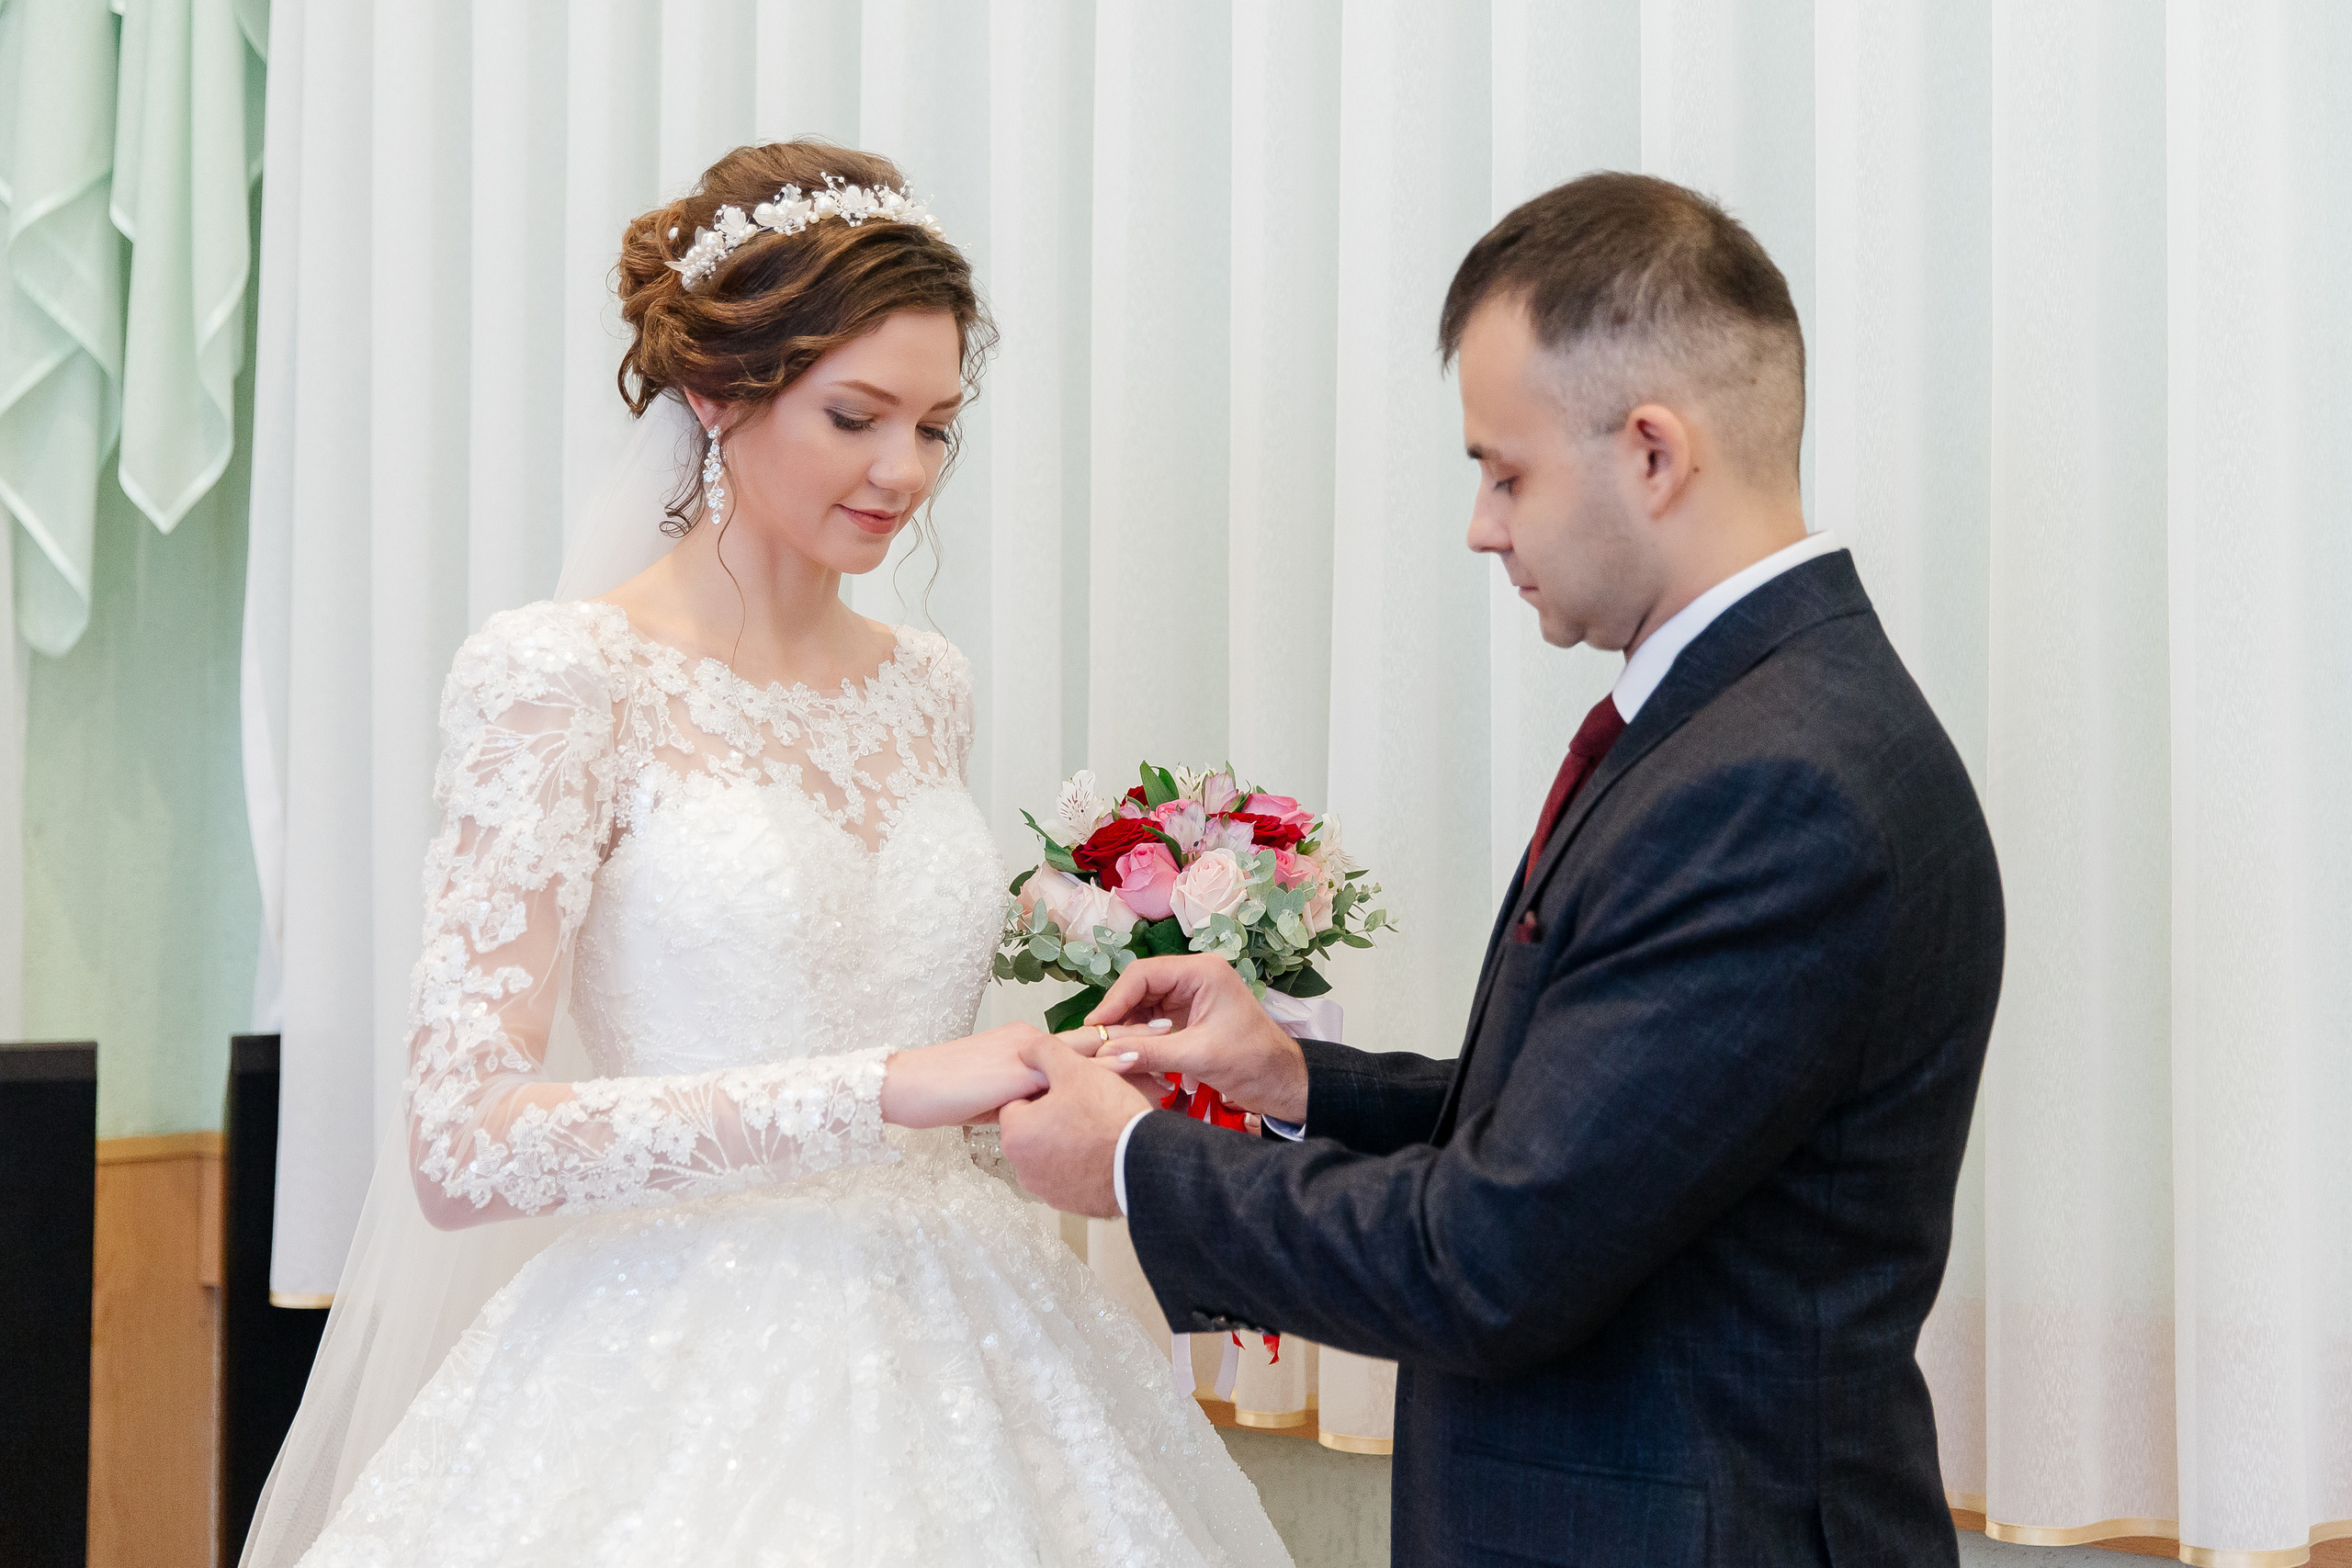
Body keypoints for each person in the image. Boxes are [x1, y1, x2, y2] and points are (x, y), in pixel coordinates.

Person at [245, 141, 1288, 1568]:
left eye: (934, 426)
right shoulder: (562, 677)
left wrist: (1039, 1073)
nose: (901, 471)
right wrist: (889, 1090)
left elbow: (885, 1007)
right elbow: (461, 1143)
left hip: (973, 1327)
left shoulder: (927, 684)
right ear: (714, 392)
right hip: (671, 1357)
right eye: (855, 415)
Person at [1003, 172, 2005, 1567]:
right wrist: (1301, 1085)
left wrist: (1130, 1159)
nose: (1482, 524)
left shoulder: (1776, 785)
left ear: (1652, 453)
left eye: (1504, 471)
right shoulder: (1763, 718)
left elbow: (1488, 1259)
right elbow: (1597, 1139)